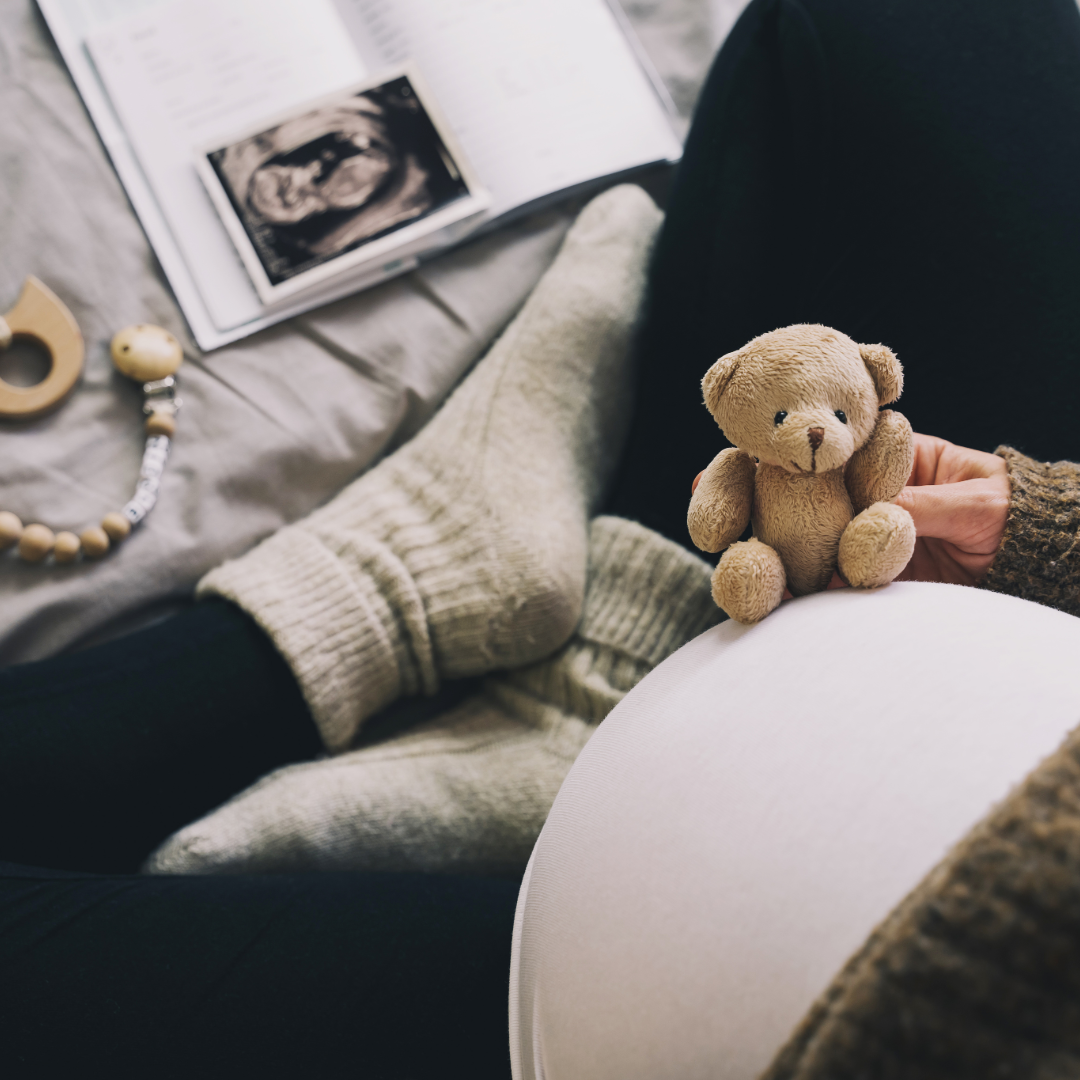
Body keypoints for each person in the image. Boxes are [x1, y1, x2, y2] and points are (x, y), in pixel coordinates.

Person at [2, 0, 1080, 1073]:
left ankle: (403, 592)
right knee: (888, 27)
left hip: (809, 1005)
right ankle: (622, 631)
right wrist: (1044, 531)